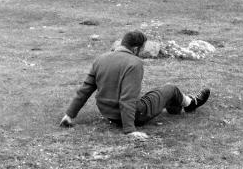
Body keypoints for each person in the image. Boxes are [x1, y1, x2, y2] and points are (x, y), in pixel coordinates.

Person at [59, 30, 210, 140]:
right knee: (171, 88)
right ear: (136, 48)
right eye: (142, 49)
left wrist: (69, 115)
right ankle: (191, 103)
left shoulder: (100, 59)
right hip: (135, 115)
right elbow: (128, 98)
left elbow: (84, 90)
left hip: (107, 113)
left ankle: (175, 107)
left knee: (156, 94)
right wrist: (130, 130)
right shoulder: (134, 63)